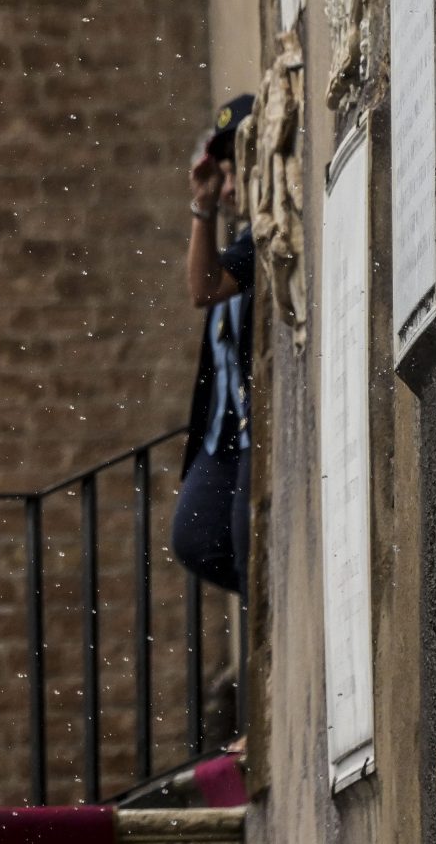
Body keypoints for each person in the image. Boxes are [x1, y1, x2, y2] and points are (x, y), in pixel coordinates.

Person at [172, 94, 257, 596]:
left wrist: (201, 214)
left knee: (247, 552)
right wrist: (202, 208)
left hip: (247, 438)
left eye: (235, 171)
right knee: (196, 537)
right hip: (220, 439)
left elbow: (203, 288)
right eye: (220, 173)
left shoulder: (255, 241)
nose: (227, 187)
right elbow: (203, 289)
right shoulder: (235, 243)